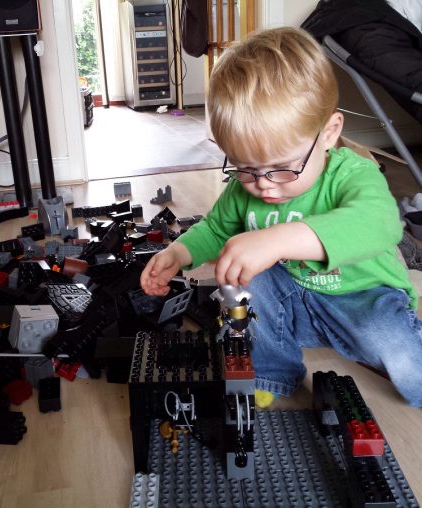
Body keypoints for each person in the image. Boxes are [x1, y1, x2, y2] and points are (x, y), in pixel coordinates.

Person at [140, 27, 422, 408]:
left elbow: (380, 223)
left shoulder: (351, 174)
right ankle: (273, 371)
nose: (263, 184)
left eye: (283, 167)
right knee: (247, 280)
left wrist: (279, 239)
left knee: (402, 355)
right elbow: (216, 228)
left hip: (365, 301)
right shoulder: (245, 190)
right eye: (246, 169)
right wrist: (178, 253)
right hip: (295, 306)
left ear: (328, 134)